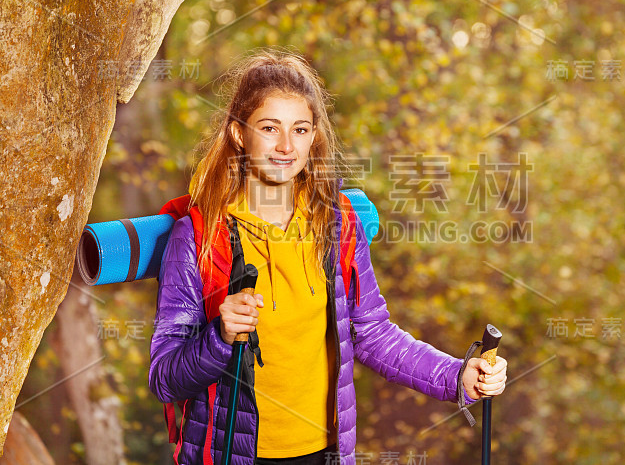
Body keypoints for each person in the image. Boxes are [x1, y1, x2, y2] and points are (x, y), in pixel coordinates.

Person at [149, 48, 508, 465]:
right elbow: (164, 379)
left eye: (300, 130)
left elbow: (372, 333)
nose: (286, 146)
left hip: (325, 454)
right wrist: (219, 335)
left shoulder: (337, 223)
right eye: (269, 128)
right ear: (237, 134)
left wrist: (457, 375)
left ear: (314, 136)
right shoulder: (198, 234)